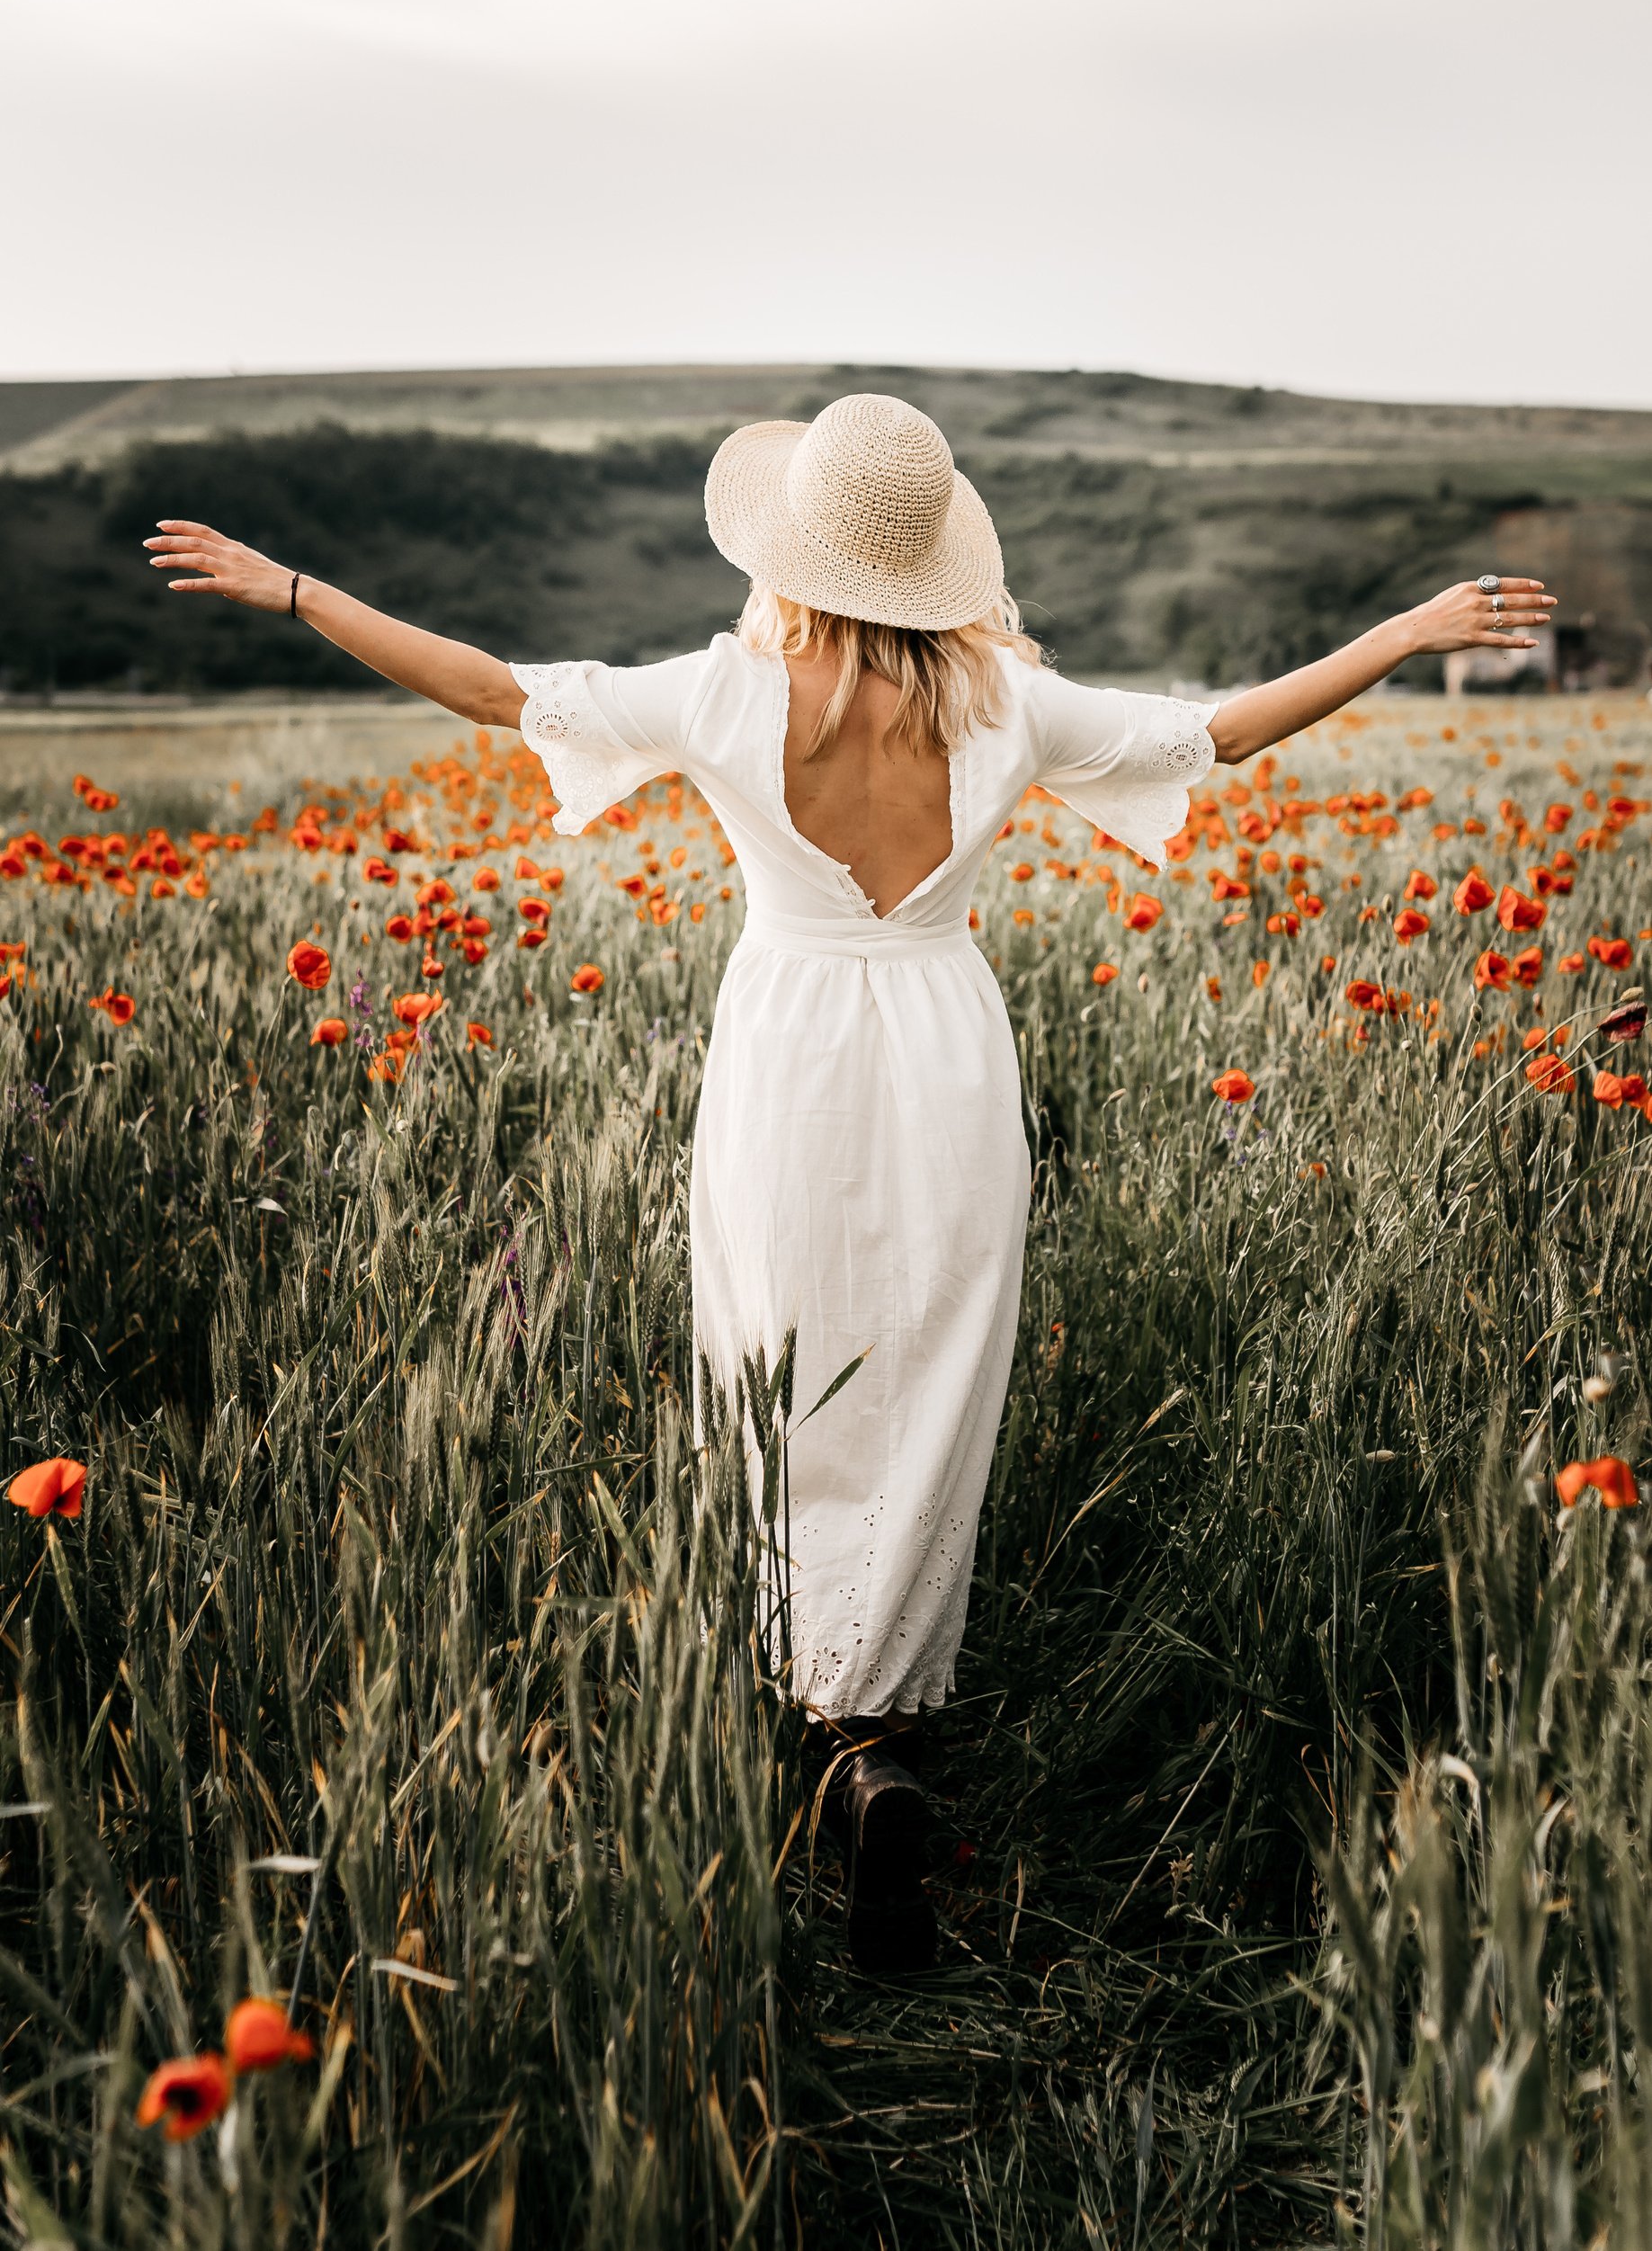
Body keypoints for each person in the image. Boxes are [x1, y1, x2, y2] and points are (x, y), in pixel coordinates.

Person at [146, 391, 1554, 1973]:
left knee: (778, 1356)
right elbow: (1219, 729)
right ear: (935, 561)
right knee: (932, 1373)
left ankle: (817, 1717)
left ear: (796, 553)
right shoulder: (1004, 706)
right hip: (948, 1049)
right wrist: (1406, 629)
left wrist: (294, 590)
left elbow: (493, 690)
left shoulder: (728, 695)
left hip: (789, 1053)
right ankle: (882, 1729)